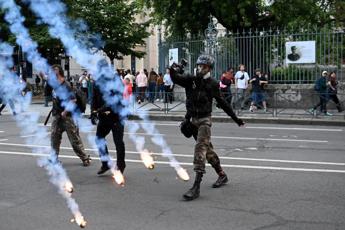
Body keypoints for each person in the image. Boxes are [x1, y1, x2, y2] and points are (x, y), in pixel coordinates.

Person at [170, 55, 245, 201]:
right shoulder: (191, 80)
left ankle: (196, 187)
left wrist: (236, 119)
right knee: (208, 151)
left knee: (200, 150)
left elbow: (222, 102)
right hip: (192, 121)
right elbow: (175, 78)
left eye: (204, 67)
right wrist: (175, 70)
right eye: (199, 66)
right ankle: (222, 175)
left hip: (205, 120)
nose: (200, 69)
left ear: (209, 68)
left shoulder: (212, 83)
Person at [50, 64, 91, 166]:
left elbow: (73, 100)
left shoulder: (66, 85)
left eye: (54, 70)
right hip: (57, 115)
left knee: (74, 139)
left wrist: (65, 111)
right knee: (54, 138)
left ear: (59, 72)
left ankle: (85, 158)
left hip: (67, 117)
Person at [92, 75, 126, 175]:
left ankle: (121, 165)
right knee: (99, 138)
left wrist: (99, 110)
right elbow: (94, 99)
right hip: (104, 118)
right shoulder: (96, 82)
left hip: (117, 117)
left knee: (118, 142)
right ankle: (105, 163)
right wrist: (93, 112)